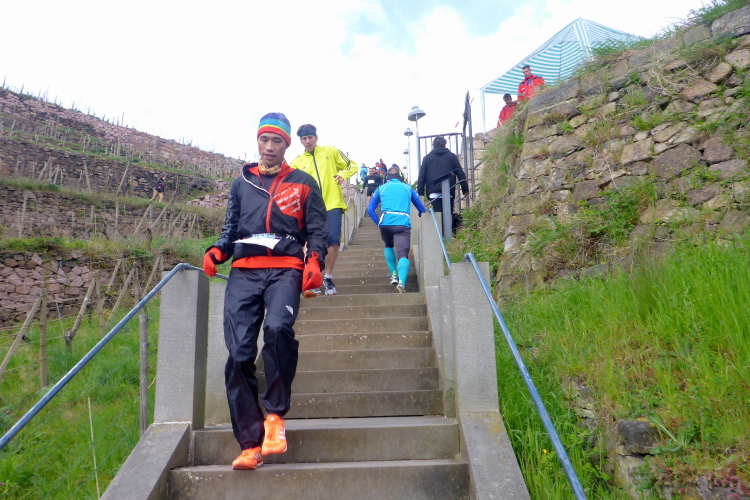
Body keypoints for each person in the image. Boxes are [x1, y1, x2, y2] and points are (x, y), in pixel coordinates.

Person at [202, 112, 328, 470]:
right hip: (244, 271)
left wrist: (315, 261)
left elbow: (317, 229)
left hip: (286, 269)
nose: (269, 146)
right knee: (239, 355)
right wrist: (218, 250)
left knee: (277, 330)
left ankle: (274, 416)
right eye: (264, 139)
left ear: (287, 145)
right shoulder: (242, 183)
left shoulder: (303, 183)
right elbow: (230, 229)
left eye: (277, 141)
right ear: (257, 141)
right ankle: (249, 444)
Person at [290, 123, 357, 296]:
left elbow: (352, 165)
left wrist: (342, 175)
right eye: (304, 138)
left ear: (316, 138)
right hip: (311, 208)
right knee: (311, 244)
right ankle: (312, 277)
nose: (308, 141)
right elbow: (288, 184)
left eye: (310, 137)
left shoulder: (330, 151)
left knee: (333, 239)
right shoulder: (297, 162)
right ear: (301, 141)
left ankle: (328, 276)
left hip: (333, 203)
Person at [367, 166, 426, 293]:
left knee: (388, 245)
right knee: (403, 254)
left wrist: (379, 223)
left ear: (387, 177)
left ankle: (394, 274)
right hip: (402, 224)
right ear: (400, 177)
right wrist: (422, 213)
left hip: (385, 224)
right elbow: (421, 208)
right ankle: (401, 283)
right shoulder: (407, 188)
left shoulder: (381, 188)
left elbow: (370, 210)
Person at [417, 136, 469, 234]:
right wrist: (465, 189)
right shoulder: (452, 156)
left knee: (438, 214)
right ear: (445, 144)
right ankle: (449, 236)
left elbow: (421, 177)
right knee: (448, 213)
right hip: (449, 190)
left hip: (433, 192)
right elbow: (460, 173)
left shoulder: (427, 158)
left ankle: (440, 236)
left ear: (433, 145)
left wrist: (420, 194)